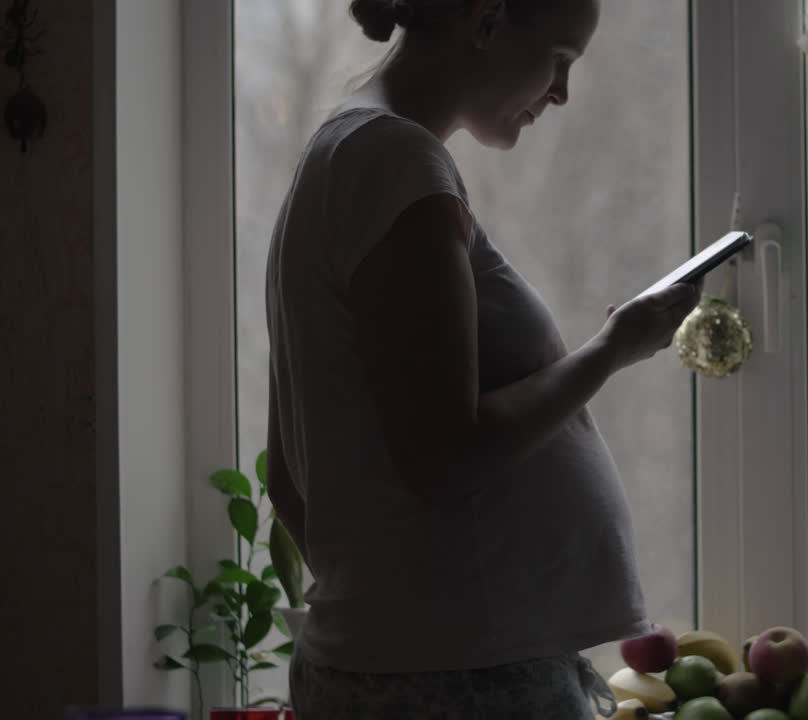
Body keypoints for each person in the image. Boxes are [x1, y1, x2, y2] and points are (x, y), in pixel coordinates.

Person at [262, 0, 701, 717]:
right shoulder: (398, 164)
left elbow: (289, 476)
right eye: (561, 58)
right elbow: (442, 453)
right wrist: (613, 350)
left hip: (420, 664)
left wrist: (385, 604)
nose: (561, 93)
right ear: (487, 21)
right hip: (455, 681)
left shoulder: (344, 155)